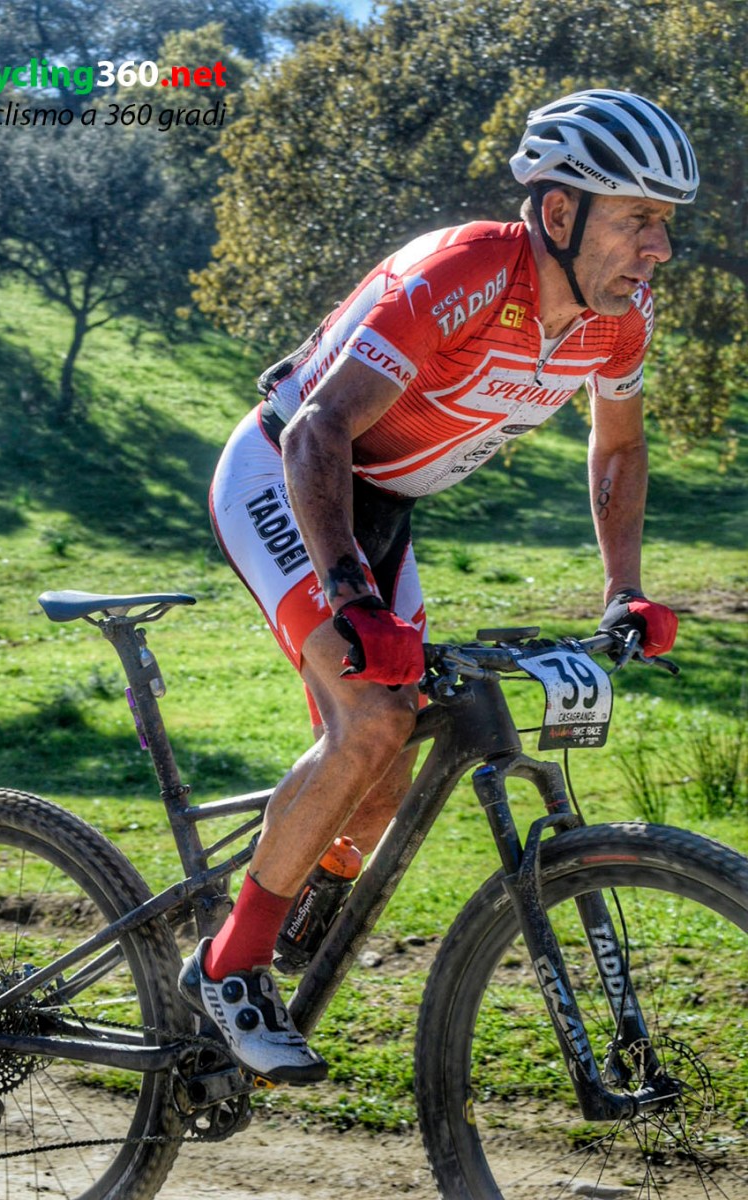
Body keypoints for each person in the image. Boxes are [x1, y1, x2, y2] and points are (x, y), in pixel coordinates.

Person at [179, 89, 698, 1083]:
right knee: (371, 719)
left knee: (386, 768)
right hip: (288, 471)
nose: (657, 249)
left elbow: (618, 448)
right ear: (559, 212)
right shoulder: (461, 273)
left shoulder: (618, 321)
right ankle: (228, 965)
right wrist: (351, 599)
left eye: (663, 223)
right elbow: (320, 429)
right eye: (637, 219)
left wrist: (623, 589)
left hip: (379, 504)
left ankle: (304, 887)